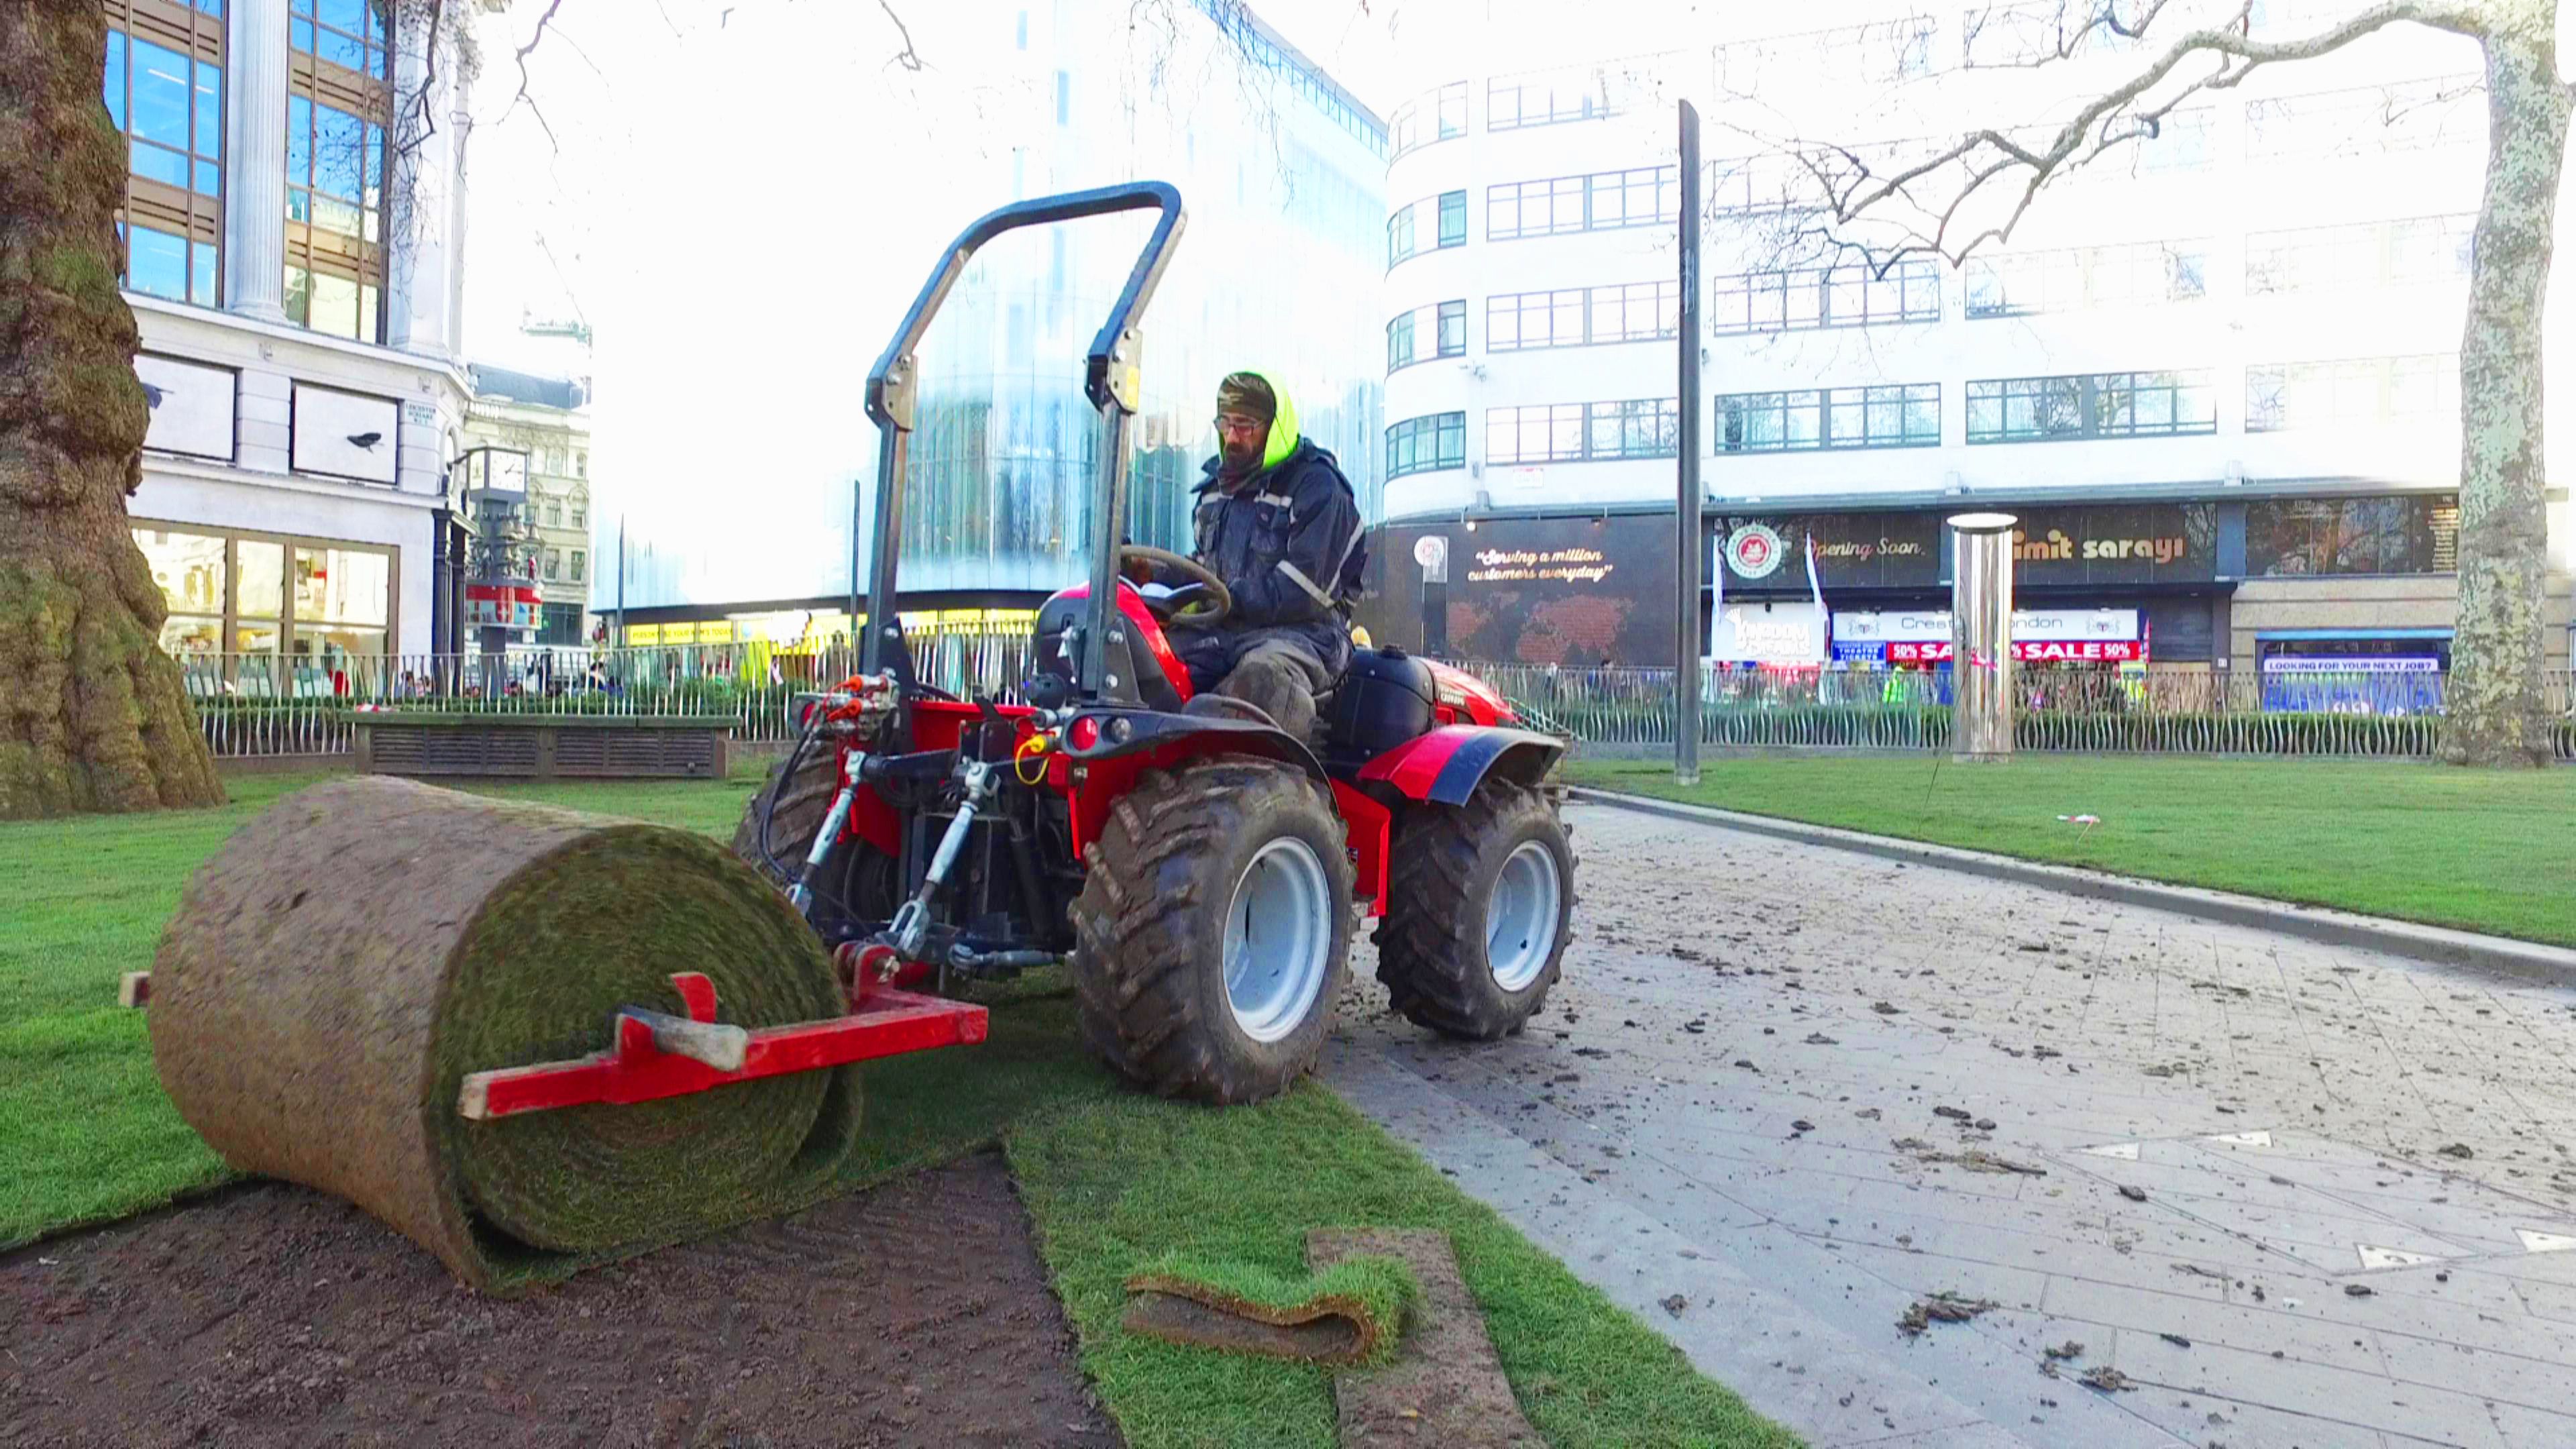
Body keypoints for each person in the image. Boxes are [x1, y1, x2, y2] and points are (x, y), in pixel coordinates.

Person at [1135, 370, 1364, 739]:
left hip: (1304, 636)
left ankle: (1253, 782)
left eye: (1245, 426)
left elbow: (1304, 590)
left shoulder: (1319, 489)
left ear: (1275, 428)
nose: (1231, 437)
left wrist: (1227, 598)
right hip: (1225, 632)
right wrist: (1148, 576)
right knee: (1147, 662)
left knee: (1261, 680)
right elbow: (1203, 569)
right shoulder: (1215, 492)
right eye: (1225, 424)